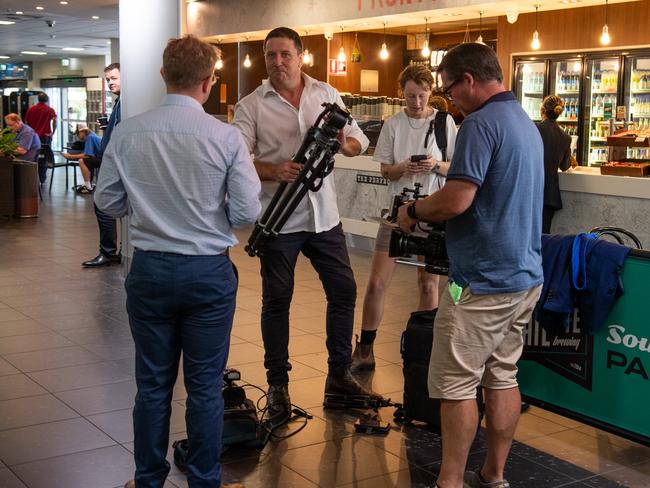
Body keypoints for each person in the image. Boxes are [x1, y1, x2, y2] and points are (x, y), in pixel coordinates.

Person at [95, 34, 259, 488]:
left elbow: (107, 202)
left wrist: (150, 208)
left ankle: (148, 479)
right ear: (208, 82)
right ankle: (204, 480)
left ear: (164, 74)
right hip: (207, 272)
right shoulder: (225, 137)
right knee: (205, 388)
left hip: (148, 268)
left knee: (152, 386)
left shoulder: (129, 131)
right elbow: (247, 213)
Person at [396, 43, 544, 488]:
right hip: (523, 278)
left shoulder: (480, 123)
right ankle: (494, 474)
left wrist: (415, 211)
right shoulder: (525, 123)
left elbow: (458, 198)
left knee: (457, 385)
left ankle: (449, 481)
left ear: (469, 80)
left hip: (481, 281)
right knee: (502, 376)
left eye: (449, 90)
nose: (450, 100)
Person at [232, 26, 379, 425]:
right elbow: (237, 158)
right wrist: (271, 169)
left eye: (284, 54)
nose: (277, 62)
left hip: (323, 214)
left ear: (300, 56)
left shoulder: (326, 94)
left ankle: (338, 375)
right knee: (277, 300)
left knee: (344, 289)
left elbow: (358, 139)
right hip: (279, 218)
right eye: (270, 56)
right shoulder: (251, 105)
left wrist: (340, 146)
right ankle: (278, 386)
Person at [352, 65, 458, 372]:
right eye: (410, 96)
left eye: (422, 95)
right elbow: (385, 170)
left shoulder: (444, 122)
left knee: (428, 283)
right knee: (376, 282)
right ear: (402, 94)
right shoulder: (393, 124)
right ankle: (366, 348)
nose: (416, 102)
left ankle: (427, 349)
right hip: (397, 210)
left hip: (431, 211)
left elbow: (456, 167)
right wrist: (404, 168)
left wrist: (435, 166)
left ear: (430, 93)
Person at [82, 62, 122, 267]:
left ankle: (109, 251)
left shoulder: (127, 102)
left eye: (114, 78)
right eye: (108, 80)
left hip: (119, 164)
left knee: (102, 203)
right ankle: (112, 251)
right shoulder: (120, 102)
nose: (110, 83)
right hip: (112, 161)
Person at [537, 95, 572, 233]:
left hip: (531, 189)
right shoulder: (565, 137)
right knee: (544, 240)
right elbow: (564, 166)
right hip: (549, 195)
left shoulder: (533, 129)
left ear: (542, 110)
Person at [24, 92, 57, 184]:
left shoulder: (31, 109)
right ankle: (42, 179)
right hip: (44, 137)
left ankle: (33, 177)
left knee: (32, 156)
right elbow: (54, 120)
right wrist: (52, 132)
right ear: (47, 100)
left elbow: (26, 122)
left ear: (38, 99)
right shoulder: (49, 110)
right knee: (44, 157)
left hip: (32, 138)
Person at [61, 125, 102, 194]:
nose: (77, 136)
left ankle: (88, 187)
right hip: (103, 159)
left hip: (103, 160)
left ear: (83, 132)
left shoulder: (90, 137)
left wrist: (70, 156)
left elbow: (87, 155)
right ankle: (88, 184)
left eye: (78, 133)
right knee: (88, 162)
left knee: (82, 160)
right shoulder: (92, 135)